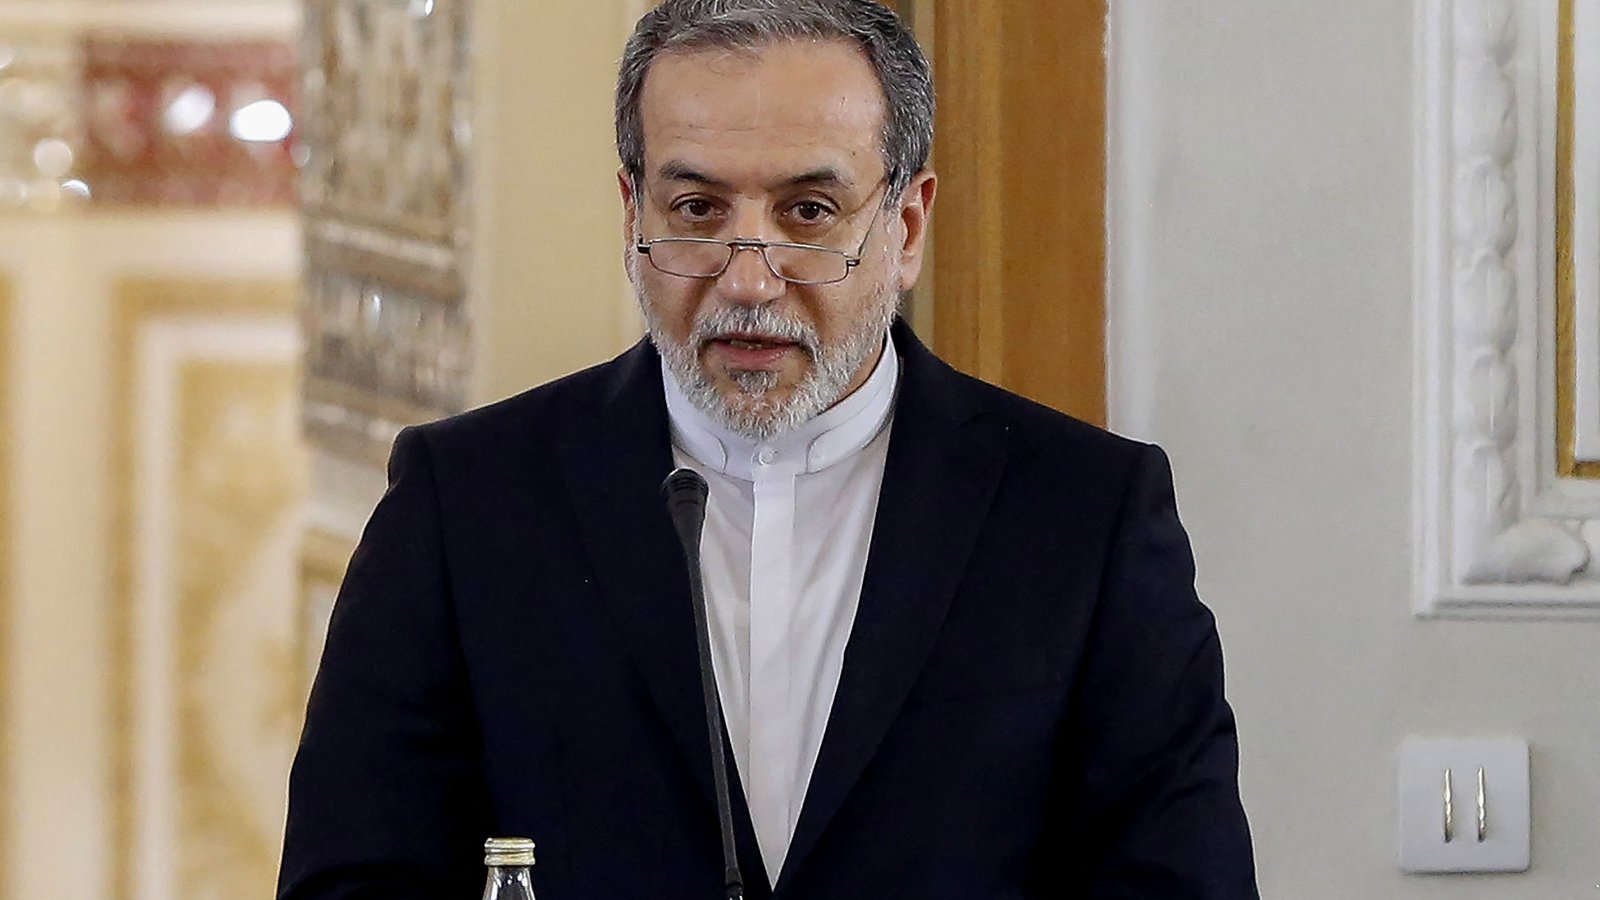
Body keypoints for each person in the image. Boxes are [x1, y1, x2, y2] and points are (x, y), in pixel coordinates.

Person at [276, 1, 1259, 897]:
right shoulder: (466, 505)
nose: (748, 280)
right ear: (632, 214)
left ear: (906, 225)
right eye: (697, 211)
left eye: (807, 214)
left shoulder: (1083, 518)